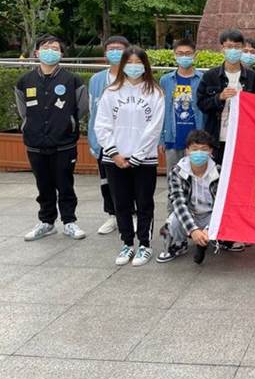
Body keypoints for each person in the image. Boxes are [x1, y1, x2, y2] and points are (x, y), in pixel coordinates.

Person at [95, 46, 165, 266]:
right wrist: (114, 153)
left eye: (138, 62)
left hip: (144, 159)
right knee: (121, 203)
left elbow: (154, 128)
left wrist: (138, 155)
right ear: (123, 65)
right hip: (115, 159)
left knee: (144, 203)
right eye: (130, 62)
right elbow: (102, 125)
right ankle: (127, 243)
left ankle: (144, 244)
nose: (134, 67)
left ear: (145, 65)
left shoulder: (155, 92)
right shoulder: (111, 92)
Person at [15, 34, 89, 242]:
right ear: (37, 52)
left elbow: (82, 107)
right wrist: (31, 125)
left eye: (55, 48)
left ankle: (69, 221)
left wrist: (67, 122)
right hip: (35, 143)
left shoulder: (72, 80)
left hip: (64, 142)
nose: (50, 51)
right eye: (46, 47)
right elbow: (23, 111)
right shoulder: (24, 81)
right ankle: (47, 222)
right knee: (43, 185)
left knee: (65, 184)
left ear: (61, 54)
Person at [157, 130, 243, 264]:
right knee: (174, 220)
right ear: (187, 151)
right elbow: (178, 203)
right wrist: (193, 230)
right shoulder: (177, 172)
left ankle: (220, 239)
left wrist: (210, 228)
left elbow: (222, 205)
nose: (199, 153)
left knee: (230, 214)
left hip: (210, 214)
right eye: (195, 149)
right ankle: (179, 244)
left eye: (204, 149)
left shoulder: (219, 171)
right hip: (191, 213)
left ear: (211, 151)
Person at [196, 29, 255, 164]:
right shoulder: (210, 76)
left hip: (242, 137)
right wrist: (219, 97)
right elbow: (201, 104)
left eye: (237, 47)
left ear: (242, 48)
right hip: (217, 138)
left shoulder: (253, 78)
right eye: (229, 47)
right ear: (222, 48)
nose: (233, 51)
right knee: (217, 173)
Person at [88, 35, 130, 235]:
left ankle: (132, 214)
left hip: (128, 140)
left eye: (119, 49)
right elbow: (92, 111)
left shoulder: (134, 77)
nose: (115, 52)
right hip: (105, 141)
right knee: (107, 181)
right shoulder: (97, 80)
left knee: (130, 181)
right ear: (105, 53)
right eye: (111, 49)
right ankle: (112, 215)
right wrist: (94, 141)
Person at [160, 38, 204, 185]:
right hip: (173, 138)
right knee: (174, 180)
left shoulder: (202, 79)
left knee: (197, 181)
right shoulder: (166, 80)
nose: (184, 57)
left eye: (188, 53)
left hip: (197, 139)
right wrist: (161, 139)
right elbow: (162, 111)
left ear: (195, 55)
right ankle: (175, 201)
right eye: (180, 53)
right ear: (174, 55)